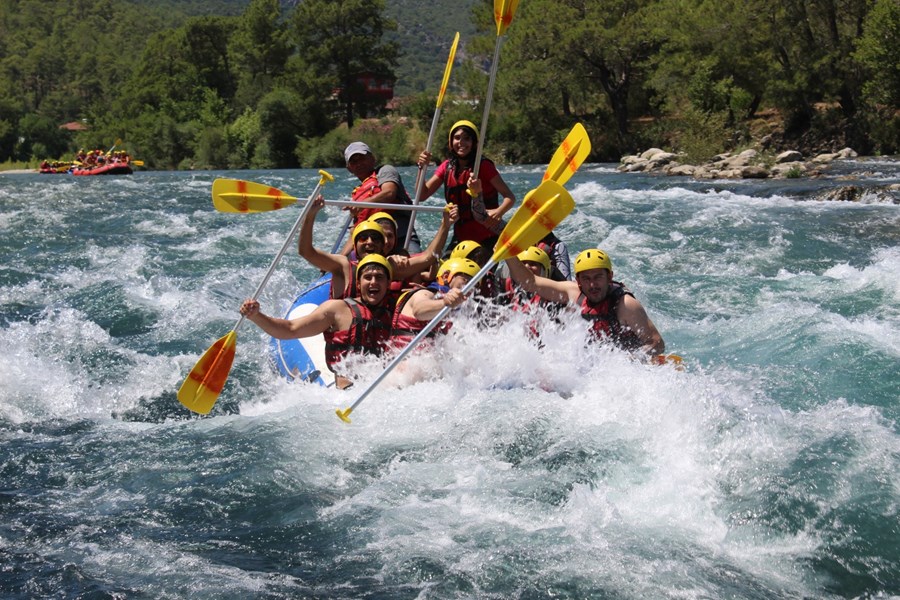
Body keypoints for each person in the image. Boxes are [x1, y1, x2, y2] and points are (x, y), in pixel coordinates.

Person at [240, 254, 395, 390]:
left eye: (379, 278)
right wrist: (256, 316)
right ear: (359, 284)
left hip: (383, 390)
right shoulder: (337, 309)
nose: (373, 282)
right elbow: (290, 329)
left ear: (388, 284)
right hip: (345, 392)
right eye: (368, 277)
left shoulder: (398, 310)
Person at [505, 248, 665, 356]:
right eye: (586, 279)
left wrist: (630, 360)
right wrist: (508, 253)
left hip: (624, 359)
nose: (592, 285)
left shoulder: (626, 305)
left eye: (598, 277)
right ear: (578, 281)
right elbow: (529, 282)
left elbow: (656, 343)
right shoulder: (573, 293)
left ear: (610, 277)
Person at [298, 196, 452, 300]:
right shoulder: (341, 266)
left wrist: (446, 224)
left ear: (383, 245)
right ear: (355, 244)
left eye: (376, 238)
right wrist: (310, 216)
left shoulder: (391, 267)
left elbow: (429, 257)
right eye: (364, 238)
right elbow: (306, 251)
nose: (370, 242)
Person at [416, 120, 516, 253]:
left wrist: (498, 212)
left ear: (474, 144)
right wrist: (421, 168)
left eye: (467, 139)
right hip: (461, 237)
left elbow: (509, 197)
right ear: (451, 142)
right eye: (457, 138)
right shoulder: (447, 167)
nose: (461, 143)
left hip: (487, 236)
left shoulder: (484, 166)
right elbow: (421, 195)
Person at [343, 141, 421, 253]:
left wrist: (361, 205)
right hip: (372, 244)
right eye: (354, 161)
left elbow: (389, 193)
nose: (359, 163)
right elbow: (355, 230)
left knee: (417, 265)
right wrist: (339, 258)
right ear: (349, 168)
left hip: (401, 237)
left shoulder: (385, 171)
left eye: (362, 158)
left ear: (372, 159)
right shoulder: (357, 195)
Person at [390, 257, 478, 349]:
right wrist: (445, 303)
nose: (471, 288)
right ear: (446, 276)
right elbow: (419, 311)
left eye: (475, 285)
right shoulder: (424, 293)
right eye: (466, 281)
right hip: (404, 357)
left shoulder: (456, 310)